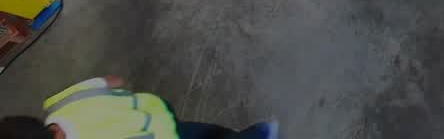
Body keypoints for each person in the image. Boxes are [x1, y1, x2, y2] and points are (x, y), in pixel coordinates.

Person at [0, 75, 276, 139]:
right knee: (207, 134)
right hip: (156, 111)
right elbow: (110, 80)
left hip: (164, 137)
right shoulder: (58, 104)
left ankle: (260, 135)